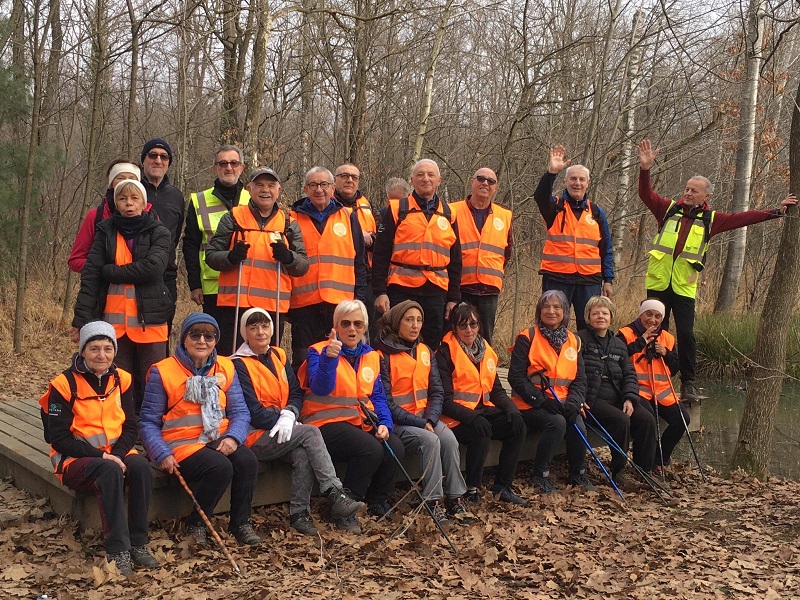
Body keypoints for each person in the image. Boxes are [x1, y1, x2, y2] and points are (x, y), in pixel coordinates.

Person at [637, 139, 798, 401]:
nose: (687, 193)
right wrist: (645, 169)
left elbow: (743, 218)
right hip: (657, 282)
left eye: (694, 191)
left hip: (684, 286)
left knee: (686, 334)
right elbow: (646, 194)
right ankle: (656, 376)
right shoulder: (667, 209)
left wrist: (775, 212)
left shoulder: (712, 220)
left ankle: (688, 382)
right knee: (656, 331)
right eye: (687, 189)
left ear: (706, 196)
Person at [230, 307, 366, 535]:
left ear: (272, 330)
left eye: (264, 326)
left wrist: (290, 413)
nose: (260, 332)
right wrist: (281, 419)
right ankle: (335, 493)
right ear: (245, 333)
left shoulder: (279, 355)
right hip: (255, 435)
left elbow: (295, 392)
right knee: (311, 433)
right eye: (253, 327)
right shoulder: (238, 364)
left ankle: (299, 514)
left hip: (284, 429)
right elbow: (251, 410)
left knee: (303, 453)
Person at [40, 321, 157, 576]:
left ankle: (138, 543)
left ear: (115, 351)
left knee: (142, 467)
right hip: (74, 461)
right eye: (94, 349)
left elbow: (130, 426)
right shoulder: (63, 384)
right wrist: (103, 456)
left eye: (107, 348)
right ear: (82, 351)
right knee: (109, 471)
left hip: (114, 454)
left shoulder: (122, 379)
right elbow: (58, 438)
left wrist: (115, 455)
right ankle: (117, 549)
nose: (101, 355)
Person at [139, 313, 262, 546]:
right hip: (180, 444)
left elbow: (240, 412)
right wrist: (160, 453)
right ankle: (197, 523)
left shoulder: (226, 367)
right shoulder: (162, 371)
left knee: (247, 459)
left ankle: (241, 522)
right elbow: (147, 421)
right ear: (184, 339)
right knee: (220, 467)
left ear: (216, 340)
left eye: (209, 336)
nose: (202, 341)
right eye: (195, 335)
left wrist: (235, 438)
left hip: (217, 436)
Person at [297, 300, 404, 534]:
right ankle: (342, 507)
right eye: (345, 324)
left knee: (394, 444)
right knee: (370, 449)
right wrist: (328, 358)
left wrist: (385, 423)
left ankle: (377, 500)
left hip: (357, 423)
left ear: (365, 327)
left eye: (357, 323)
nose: (352, 329)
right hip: (323, 424)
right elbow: (320, 387)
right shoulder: (318, 350)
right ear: (335, 327)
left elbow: (378, 397)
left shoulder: (372, 356)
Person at [373, 300, 477, 526]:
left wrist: (430, 418)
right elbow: (387, 403)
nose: (415, 325)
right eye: (409, 320)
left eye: (419, 320)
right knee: (431, 441)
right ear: (396, 322)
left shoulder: (425, 351)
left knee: (448, 438)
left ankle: (455, 496)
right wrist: (421, 423)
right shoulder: (382, 355)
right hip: (398, 423)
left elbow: (437, 391)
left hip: (425, 418)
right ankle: (433, 502)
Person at [71, 179, 171, 409]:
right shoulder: (105, 232)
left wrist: (111, 272)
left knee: (154, 380)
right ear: (115, 203)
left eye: (134, 198)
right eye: (122, 199)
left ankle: (154, 428)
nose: (128, 204)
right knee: (117, 380)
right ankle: (125, 427)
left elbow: (153, 268)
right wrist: (80, 321)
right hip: (113, 325)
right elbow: (91, 279)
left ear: (143, 203)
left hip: (151, 322)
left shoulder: (159, 232)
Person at [206, 167, 308, 351]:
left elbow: (302, 266)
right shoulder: (234, 218)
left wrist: (288, 257)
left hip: (273, 308)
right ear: (249, 189)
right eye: (259, 185)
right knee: (232, 360)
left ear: (278, 190)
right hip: (236, 305)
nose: (265, 190)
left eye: (271, 185)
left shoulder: (288, 224)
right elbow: (211, 256)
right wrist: (230, 257)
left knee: (268, 360)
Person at [436, 302, 527, 505]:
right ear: (454, 328)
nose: (469, 330)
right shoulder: (444, 353)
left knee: (517, 427)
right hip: (455, 417)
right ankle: (471, 487)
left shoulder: (485, 350)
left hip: (481, 410)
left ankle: (503, 485)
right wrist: (472, 417)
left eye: (473, 324)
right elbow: (444, 400)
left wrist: (512, 409)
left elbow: (495, 390)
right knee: (481, 432)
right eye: (463, 325)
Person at [507, 290, 592, 494]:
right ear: (539, 311)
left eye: (557, 307)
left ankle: (578, 473)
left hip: (562, 402)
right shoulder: (527, 337)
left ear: (565, 312)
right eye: (546, 307)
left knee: (578, 423)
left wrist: (574, 402)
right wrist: (542, 400)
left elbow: (580, 379)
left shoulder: (574, 340)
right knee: (556, 423)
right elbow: (515, 377)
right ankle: (540, 474)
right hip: (530, 403)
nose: (551, 311)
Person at [373, 159, 462, 350]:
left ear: (439, 180)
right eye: (420, 174)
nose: (425, 179)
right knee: (397, 342)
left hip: (436, 291)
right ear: (412, 180)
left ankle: (428, 379)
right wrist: (380, 292)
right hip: (401, 289)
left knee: (431, 345)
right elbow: (380, 253)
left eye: (431, 175)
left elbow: (455, 261)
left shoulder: (449, 214)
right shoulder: (398, 209)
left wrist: (454, 298)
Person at [288, 167, 367, 371]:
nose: (319, 190)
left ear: (333, 188)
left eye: (324, 185)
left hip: (340, 304)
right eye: (313, 185)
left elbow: (359, 261)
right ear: (305, 188)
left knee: (341, 356)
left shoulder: (349, 217)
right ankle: (304, 401)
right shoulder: (291, 218)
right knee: (303, 358)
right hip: (303, 304)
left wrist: (359, 298)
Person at [577, 296, 657, 488]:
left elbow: (629, 374)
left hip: (617, 396)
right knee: (621, 420)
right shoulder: (579, 340)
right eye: (595, 313)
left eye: (604, 313)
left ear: (611, 317)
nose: (600, 317)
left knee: (646, 419)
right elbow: (573, 372)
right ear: (588, 317)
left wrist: (630, 398)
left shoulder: (618, 345)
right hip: (591, 398)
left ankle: (643, 469)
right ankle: (618, 471)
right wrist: (577, 398)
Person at [534, 146, 614, 331]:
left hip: (589, 280)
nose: (577, 183)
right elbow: (539, 196)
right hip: (557, 278)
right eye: (573, 179)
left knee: (589, 326)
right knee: (552, 324)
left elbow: (606, 249)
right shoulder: (555, 207)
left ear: (588, 183)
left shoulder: (596, 212)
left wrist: (608, 280)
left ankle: (585, 360)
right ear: (566, 182)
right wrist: (551, 173)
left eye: (581, 179)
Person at [182, 145, 251, 355]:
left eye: (234, 163)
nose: (228, 167)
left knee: (245, 347)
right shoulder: (199, 200)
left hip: (248, 285)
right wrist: (195, 284)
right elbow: (191, 244)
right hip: (214, 287)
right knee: (216, 348)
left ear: (242, 167)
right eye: (223, 163)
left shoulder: (254, 198)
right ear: (215, 168)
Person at [618, 299, 688, 475]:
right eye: (648, 314)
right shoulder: (625, 334)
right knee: (648, 420)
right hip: (637, 389)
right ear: (641, 314)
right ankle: (644, 466)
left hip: (663, 392)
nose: (653, 320)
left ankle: (660, 459)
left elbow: (674, 369)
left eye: (658, 316)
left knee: (682, 420)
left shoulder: (667, 337)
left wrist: (666, 353)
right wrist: (641, 343)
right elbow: (617, 359)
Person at [449, 168, 513, 343]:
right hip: (458, 288)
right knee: (454, 337)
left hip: (488, 290)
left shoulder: (505, 216)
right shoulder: (452, 211)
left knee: (484, 339)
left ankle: (484, 371)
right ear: (472, 181)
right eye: (481, 178)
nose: (485, 183)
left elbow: (507, 253)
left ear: (496, 187)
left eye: (490, 181)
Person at [139, 138, 185, 329]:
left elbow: (176, 235)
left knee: (161, 336)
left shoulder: (176, 196)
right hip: (135, 274)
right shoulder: (132, 191)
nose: (158, 160)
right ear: (143, 160)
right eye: (153, 155)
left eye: (164, 157)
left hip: (166, 277)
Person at [68, 160, 142, 273]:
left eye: (132, 178)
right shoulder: (95, 216)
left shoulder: (150, 217)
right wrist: (105, 271)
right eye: (120, 178)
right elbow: (75, 260)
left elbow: (159, 261)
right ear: (111, 183)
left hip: (142, 288)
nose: (126, 182)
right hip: (103, 289)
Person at [334, 162, 379, 339]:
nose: (349, 180)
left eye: (354, 177)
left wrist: (371, 239)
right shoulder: (327, 205)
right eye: (344, 176)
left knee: (368, 327)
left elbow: (383, 239)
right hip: (338, 278)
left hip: (366, 277)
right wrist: (358, 234)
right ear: (335, 181)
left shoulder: (368, 206)